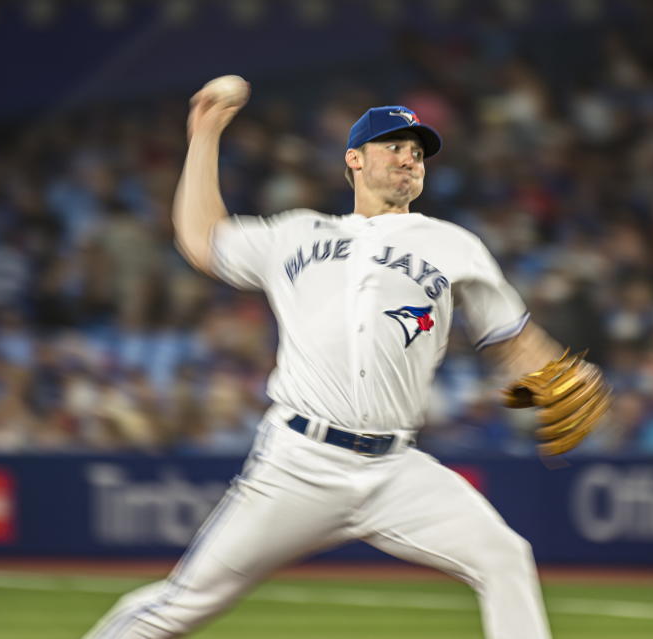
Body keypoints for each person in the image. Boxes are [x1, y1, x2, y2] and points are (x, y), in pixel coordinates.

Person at [83, 78, 610, 639]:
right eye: (394, 146)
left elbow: (514, 340)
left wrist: (563, 371)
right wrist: (205, 133)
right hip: (299, 464)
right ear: (354, 159)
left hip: (394, 470)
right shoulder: (296, 233)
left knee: (505, 557)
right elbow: (201, 237)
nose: (409, 158)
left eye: (417, 151)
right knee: (182, 604)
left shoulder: (455, 245)